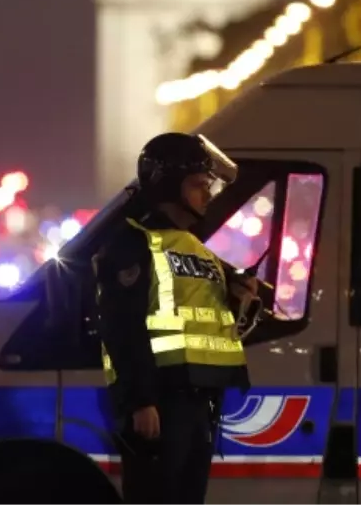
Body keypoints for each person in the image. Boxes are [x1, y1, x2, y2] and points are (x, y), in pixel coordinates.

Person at [93, 132, 261, 505]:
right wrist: (140, 401)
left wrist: (236, 294)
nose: (208, 194)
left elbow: (206, 318)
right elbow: (122, 326)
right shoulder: (132, 243)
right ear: (169, 187)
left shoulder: (196, 248)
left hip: (199, 401)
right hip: (161, 400)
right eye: (199, 185)